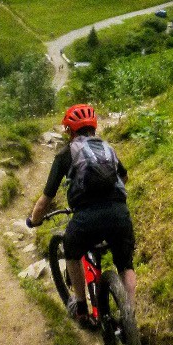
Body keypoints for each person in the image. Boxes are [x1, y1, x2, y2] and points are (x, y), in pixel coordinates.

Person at [26, 103, 137, 327]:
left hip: (87, 218)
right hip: (119, 214)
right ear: (93, 127)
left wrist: (33, 220)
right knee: (125, 265)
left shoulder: (65, 154)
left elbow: (46, 199)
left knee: (72, 248)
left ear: (70, 130)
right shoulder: (107, 148)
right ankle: (130, 316)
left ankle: (81, 306)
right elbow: (124, 178)